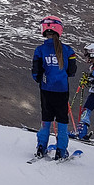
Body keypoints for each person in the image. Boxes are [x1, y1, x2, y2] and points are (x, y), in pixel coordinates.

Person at [31, 15, 77, 160]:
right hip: (62, 90)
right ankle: (61, 150)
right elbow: (72, 72)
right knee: (62, 121)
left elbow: (36, 73)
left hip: (46, 90)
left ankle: (41, 147)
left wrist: (43, 79)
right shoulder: (68, 50)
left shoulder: (40, 50)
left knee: (46, 119)